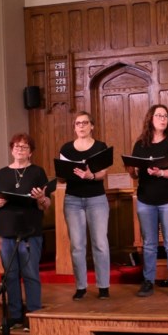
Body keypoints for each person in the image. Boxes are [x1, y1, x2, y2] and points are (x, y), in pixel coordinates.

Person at [0, 133, 52, 327]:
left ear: (30, 152)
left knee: (31, 273)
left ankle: (33, 314)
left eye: (24, 147)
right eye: (16, 146)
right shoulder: (1, 173)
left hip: (30, 230)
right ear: (11, 149)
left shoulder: (37, 172)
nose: (19, 149)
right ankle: (15, 315)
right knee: (11, 274)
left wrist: (41, 198)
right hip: (6, 230)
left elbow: (46, 204)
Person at [128, 104, 168, 298]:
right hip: (146, 198)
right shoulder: (140, 144)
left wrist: (160, 172)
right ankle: (148, 281)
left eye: (166, 116)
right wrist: (131, 168)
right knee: (149, 243)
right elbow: (134, 174)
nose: (163, 119)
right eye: (159, 115)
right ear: (150, 119)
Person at [59, 111, 111, 301]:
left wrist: (91, 176)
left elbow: (103, 173)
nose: (81, 126)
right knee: (77, 246)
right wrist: (62, 173)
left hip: (96, 198)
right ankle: (81, 286)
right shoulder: (66, 149)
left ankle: (103, 286)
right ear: (74, 127)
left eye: (85, 123)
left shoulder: (100, 146)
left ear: (92, 126)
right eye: (78, 123)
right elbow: (62, 176)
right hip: (73, 199)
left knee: (100, 243)